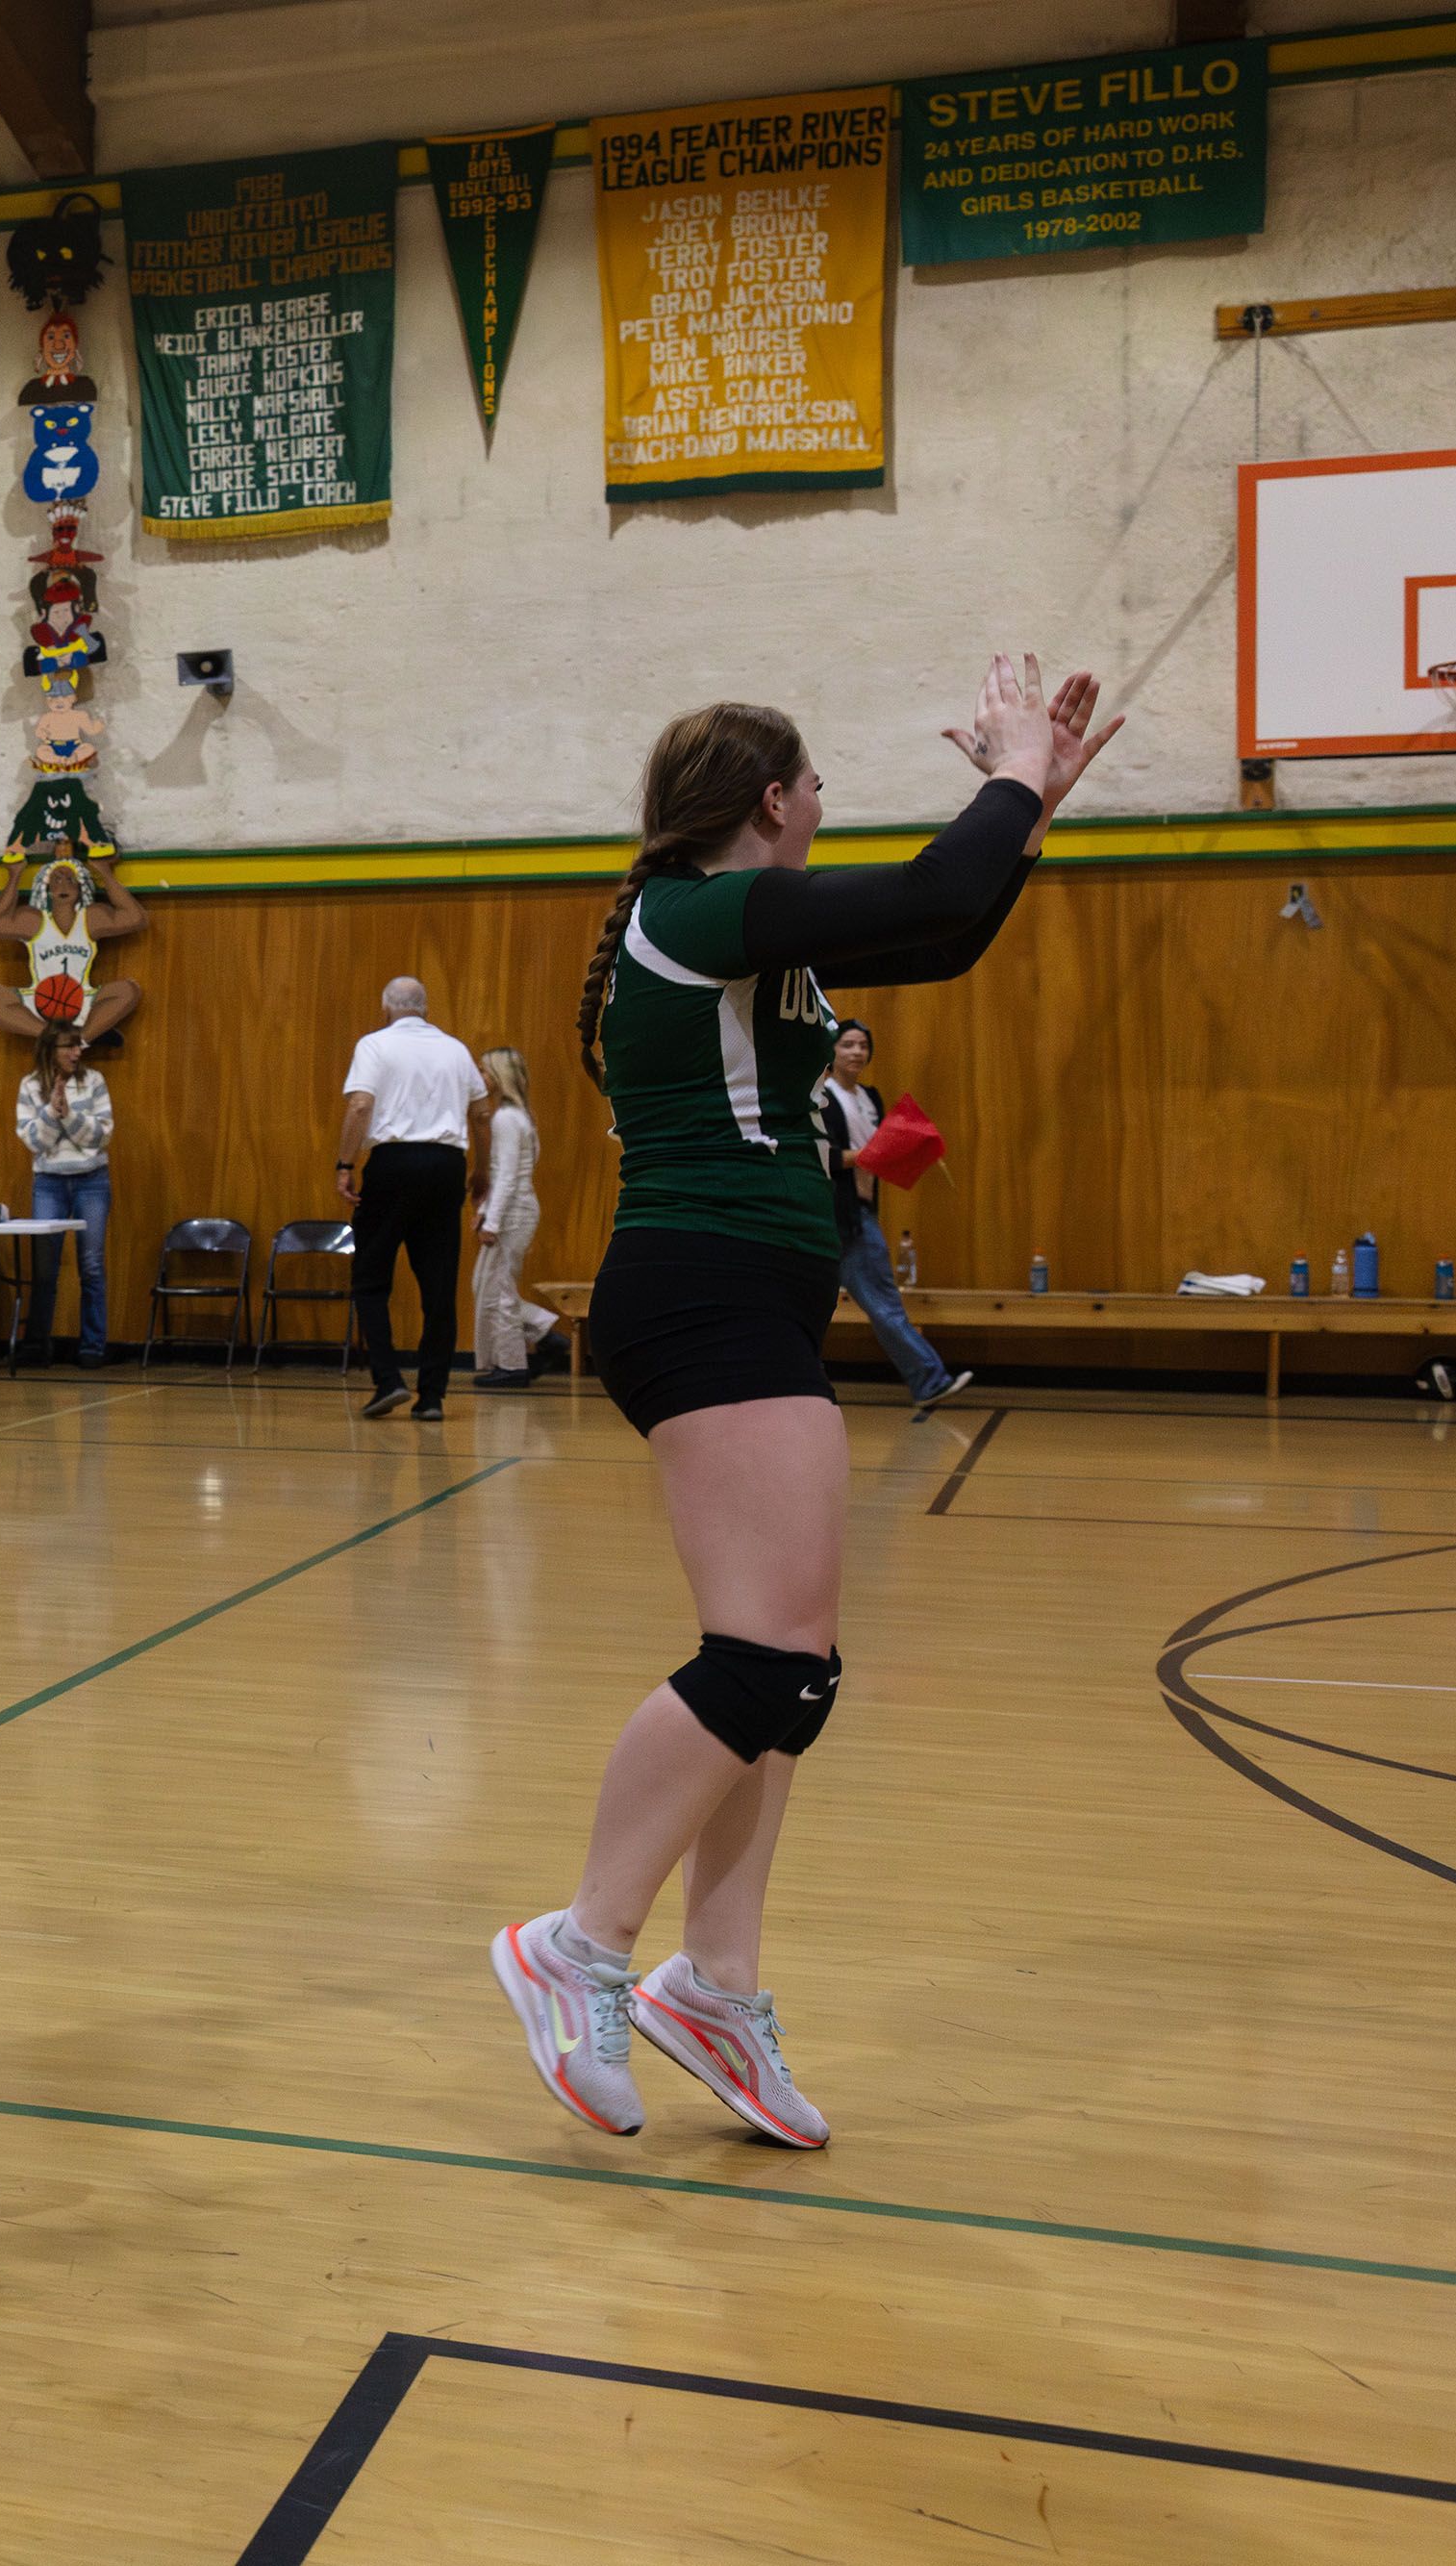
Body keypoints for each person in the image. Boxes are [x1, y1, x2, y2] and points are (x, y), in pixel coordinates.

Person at [490, 657, 1115, 2151]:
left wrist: (1026, 808)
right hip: (696, 1290)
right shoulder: (698, 912)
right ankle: (576, 1942)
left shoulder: (735, 931)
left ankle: (716, 1982)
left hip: (750, 1293)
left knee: (796, 1669)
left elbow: (945, 931)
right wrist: (1010, 781)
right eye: (816, 783)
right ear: (770, 802)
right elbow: (927, 899)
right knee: (766, 1656)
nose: (826, 804)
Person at [336, 976, 486, 1421]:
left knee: (369, 1279)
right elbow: (480, 1113)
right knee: (439, 1287)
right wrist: (482, 1170)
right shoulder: (455, 1049)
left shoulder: (375, 1045)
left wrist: (344, 1164)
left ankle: (388, 1380)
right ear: (425, 1008)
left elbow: (361, 1105)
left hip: (393, 1163)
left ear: (386, 1008)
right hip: (446, 1166)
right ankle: (433, 1397)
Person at [816, 1019, 974, 1414]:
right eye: (847, 1044)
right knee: (881, 1302)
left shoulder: (870, 1097)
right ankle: (929, 1380)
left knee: (832, 1305)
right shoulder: (820, 1098)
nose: (855, 1052)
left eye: (862, 1045)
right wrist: (869, 1156)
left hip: (859, 1210)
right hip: (834, 1217)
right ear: (832, 1052)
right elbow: (822, 1156)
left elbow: (882, 1153)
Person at [13, 1020, 113, 1365]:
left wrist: (68, 1115)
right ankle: (39, 1345)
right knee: (44, 1269)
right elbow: (34, 1142)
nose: (76, 1053)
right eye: (69, 1046)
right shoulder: (29, 1086)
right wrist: (50, 1111)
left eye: (78, 1046)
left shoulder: (94, 1082)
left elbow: (100, 1136)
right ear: (50, 1050)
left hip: (92, 1181)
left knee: (92, 1267)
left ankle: (92, 1346)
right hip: (49, 1184)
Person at [0, 847, 145, 1044]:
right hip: (40, 998)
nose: (63, 885)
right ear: (46, 887)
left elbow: (135, 918)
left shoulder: (90, 919)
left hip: (81, 997)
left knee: (128, 990)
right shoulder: (34, 921)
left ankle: (79, 1039)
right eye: (56, 879)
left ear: (81, 886)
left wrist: (104, 872)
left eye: (70, 880)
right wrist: (15, 875)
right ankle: (54, 1037)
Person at [469, 1045, 563, 1389]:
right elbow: (504, 1174)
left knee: (498, 1291)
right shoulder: (520, 1116)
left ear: (497, 1077)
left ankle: (512, 1366)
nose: (480, 1077)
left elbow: (507, 1176)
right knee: (487, 1286)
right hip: (513, 1209)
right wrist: (484, 1213)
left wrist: (492, 1222)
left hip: (512, 1213)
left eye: (483, 1070)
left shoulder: (507, 1118)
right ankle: (544, 1334)